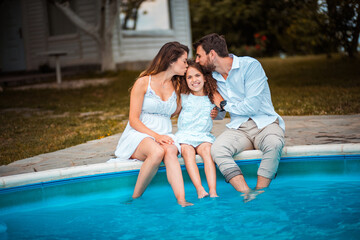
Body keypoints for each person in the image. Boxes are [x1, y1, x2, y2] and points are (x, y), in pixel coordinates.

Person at [193, 33, 285, 197]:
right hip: (239, 128)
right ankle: (247, 194)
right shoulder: (213, 78)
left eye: (199, 55)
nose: (197, 60)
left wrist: (223, 104)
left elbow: (251, 106)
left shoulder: (250, 66)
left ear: (212, 54)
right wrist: (216, 111)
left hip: (265, 124)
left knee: (274, 143)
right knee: (218, 150)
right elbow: (222, 115)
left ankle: (261, 192)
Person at [111, 42, 192, 207]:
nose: (187, 64)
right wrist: (156, 137)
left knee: (170, 150)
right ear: (171, 60)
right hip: (139, 133)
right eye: (184, 60)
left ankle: (182, 200)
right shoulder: (143, 82)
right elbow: (133, 120)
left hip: (165, 133)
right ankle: (135, 198)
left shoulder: (177, 86)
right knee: (156, 152)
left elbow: (179, 110)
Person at [175, 60, 222, 199]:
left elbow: (222, 109)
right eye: (189, 77)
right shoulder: (183, 96)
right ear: (185, 80)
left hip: (203, 136)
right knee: (187, 153)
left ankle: (213, 190)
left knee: (208, 153)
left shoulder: (211, 96)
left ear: (205, 78)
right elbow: (173, 111)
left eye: (197, 76)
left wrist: (217, 113)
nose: (194, 80)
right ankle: (200, 189)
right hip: (185, 136)